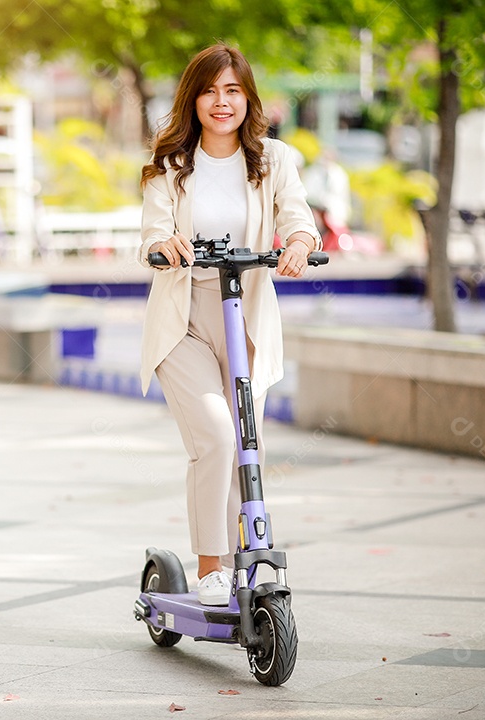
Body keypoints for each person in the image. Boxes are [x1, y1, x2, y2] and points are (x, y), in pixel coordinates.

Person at [138, 45, 320, 606]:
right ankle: (211, 567)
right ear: (193, 98)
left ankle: (246, 560)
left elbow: (298, 216)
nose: (222, 102)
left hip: (245, 317)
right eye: (210, 90)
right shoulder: (170, 167)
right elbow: (151, 234)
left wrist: (298, 243)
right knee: (217, 437)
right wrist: (164, 246)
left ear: (248, 98)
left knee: (248, 446)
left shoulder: (273, 159)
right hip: (184, 319)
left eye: (233, 91)